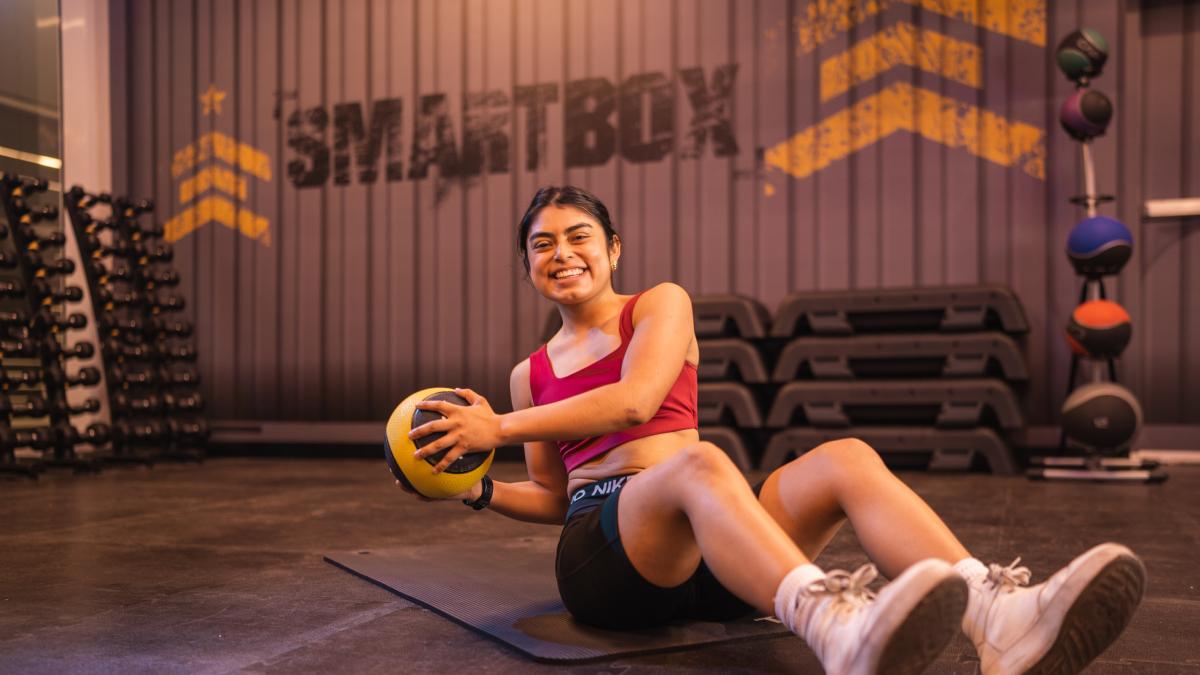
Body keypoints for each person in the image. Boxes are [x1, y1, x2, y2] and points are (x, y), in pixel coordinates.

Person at [401, 185, 1146, 675]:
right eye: (542, 243)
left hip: (708, 543)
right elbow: (549, 493)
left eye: (580, 235)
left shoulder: (660, 304)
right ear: (526, 265)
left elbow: (634, 403)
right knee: (703, 467)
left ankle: (999, 616)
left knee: (844, 457)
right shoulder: (529, 373)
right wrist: (476, 491)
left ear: (613, 248)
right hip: (608, 557)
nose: (562, 252)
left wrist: (495, 426)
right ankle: (836, 632)